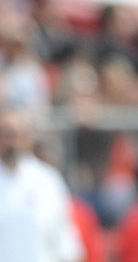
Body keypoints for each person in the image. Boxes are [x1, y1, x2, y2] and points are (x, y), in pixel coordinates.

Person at [0, 107, 84, 262]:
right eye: (3, 135)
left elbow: (65, 240)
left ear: (27, 138)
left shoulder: (47, 181)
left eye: (12, 134)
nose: (8, 142)